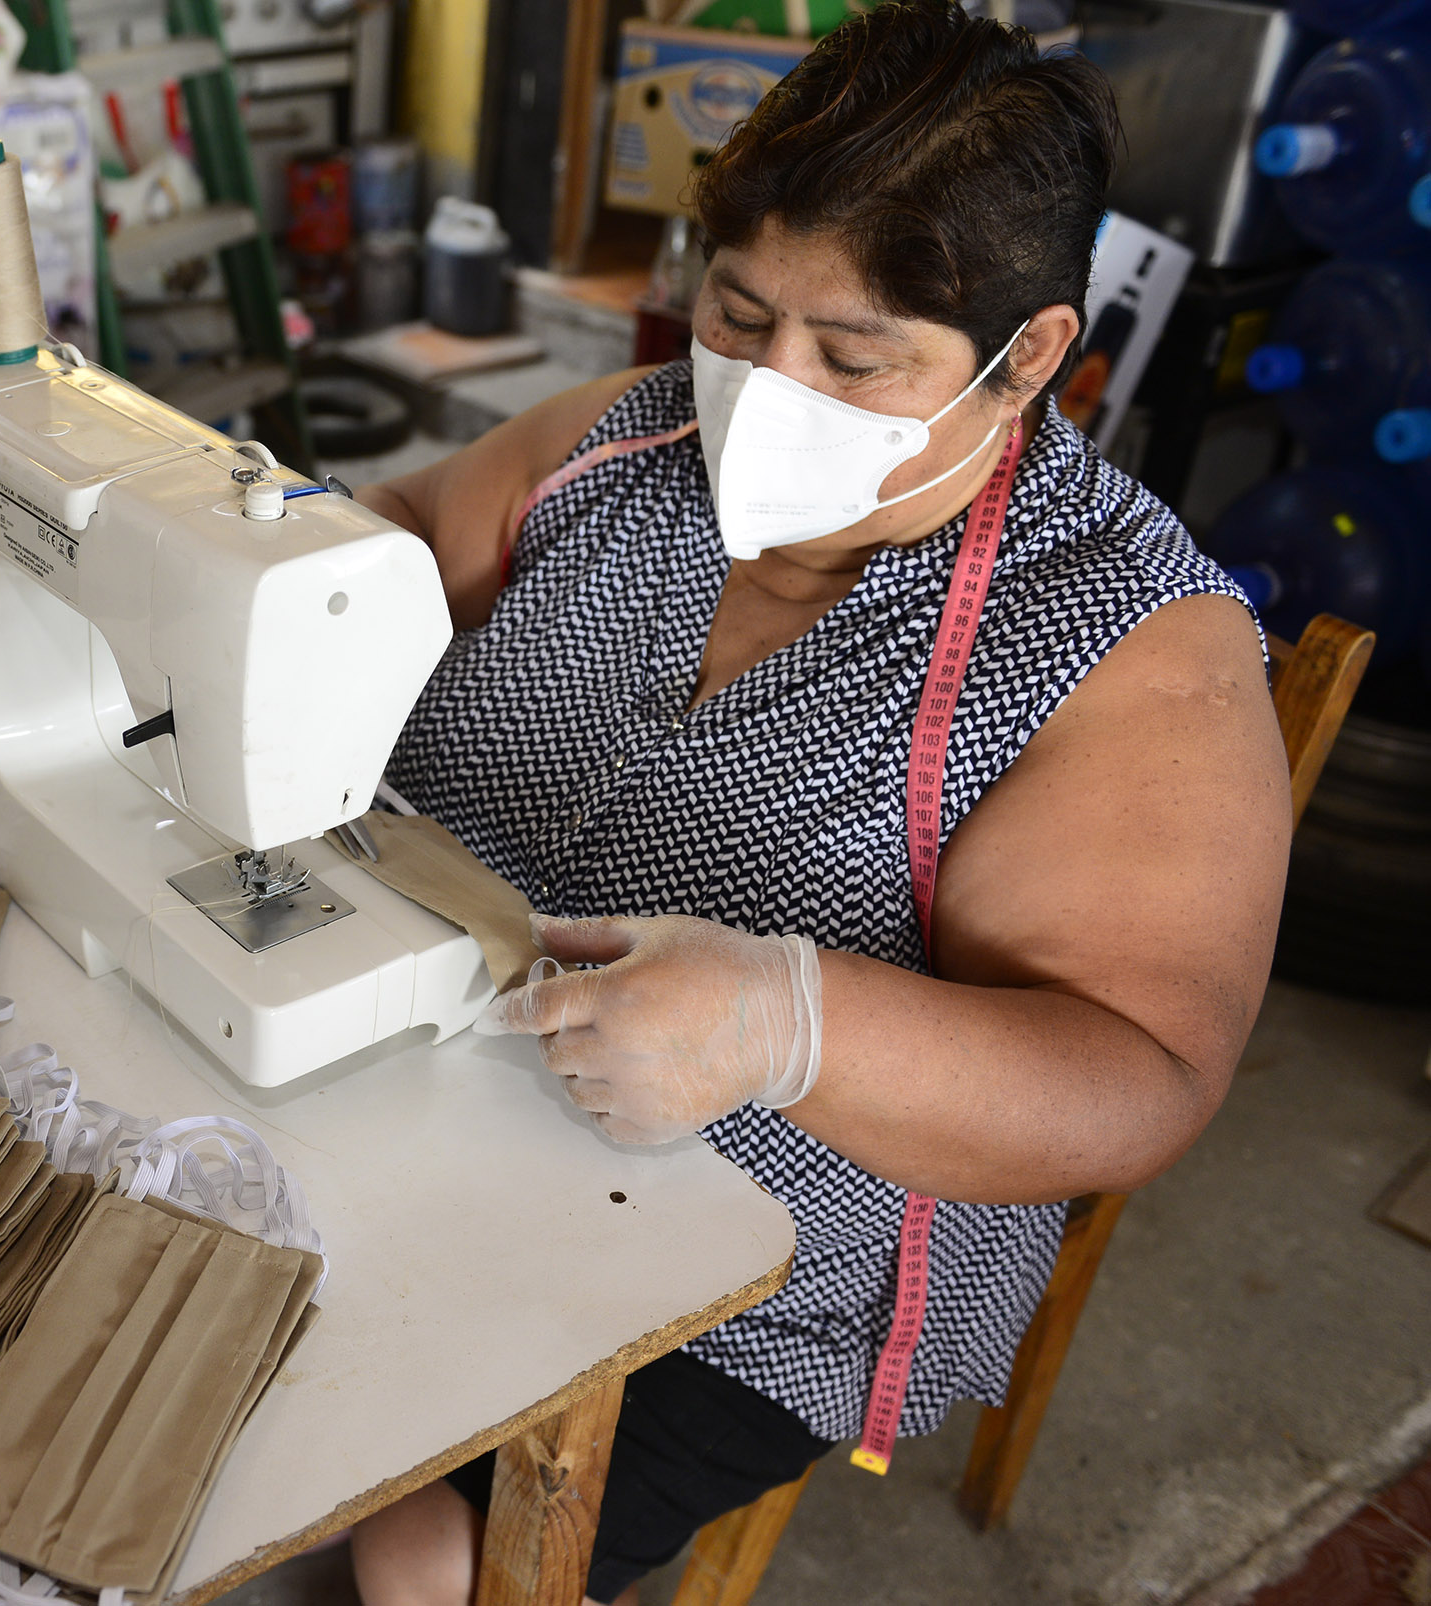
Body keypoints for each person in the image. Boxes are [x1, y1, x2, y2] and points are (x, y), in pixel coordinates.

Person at [346, 4, 1290, 1604]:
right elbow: (378, 543)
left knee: (408, 1563)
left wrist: (793, 1027)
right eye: (735, 312)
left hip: (763, 1259)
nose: (764, 387)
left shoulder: (1127, 651)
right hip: (419, 1094)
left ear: (1030, 356)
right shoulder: (622, 445)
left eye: (853, 357)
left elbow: (1137, 1072)